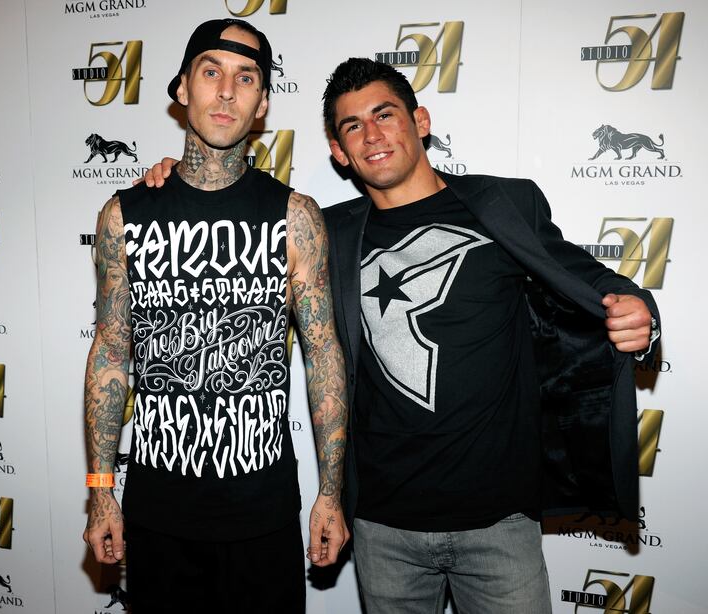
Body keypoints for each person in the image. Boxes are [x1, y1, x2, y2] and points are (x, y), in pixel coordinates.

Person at [143, 58, 659, 613]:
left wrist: (641, 313)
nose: (372, 135)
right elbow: (233, 223)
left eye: (384, 115)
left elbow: (591, 282)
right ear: (339, 152)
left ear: (421, 121)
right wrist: (179, 184)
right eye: (353, 126)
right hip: (383, 528)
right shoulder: (326, 232)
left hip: (500, 523)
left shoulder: (503, 205)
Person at [82, 19, 349, 614]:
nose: (227, 91)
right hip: (157, 516)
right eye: (211, 72)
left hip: (263, 516)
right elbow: (110, 355)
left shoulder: (296, 217)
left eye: (246, 78)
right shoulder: (123, 216)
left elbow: (323, 355)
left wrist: (331, 492)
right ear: (183, 89)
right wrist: (100, 491)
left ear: (262, 104)